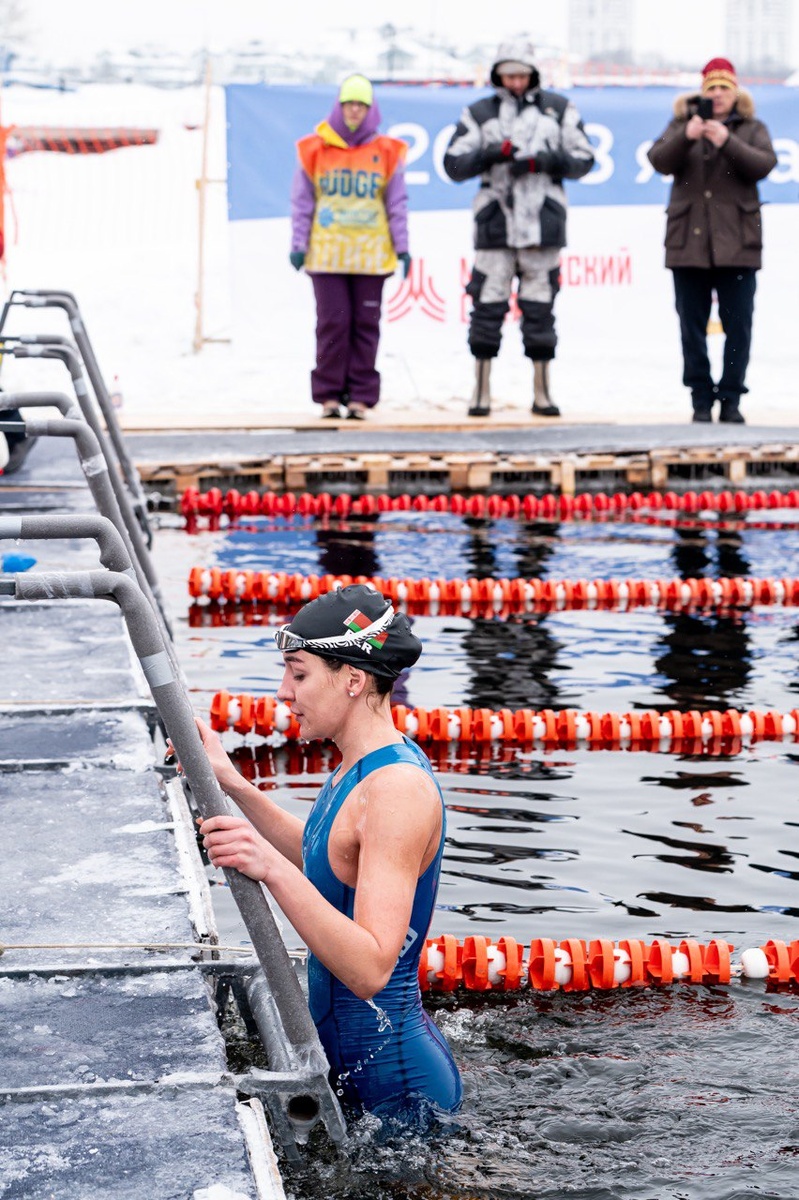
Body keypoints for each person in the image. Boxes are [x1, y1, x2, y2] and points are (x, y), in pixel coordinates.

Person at [197, 583, 462, 1120]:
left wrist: (267, 867)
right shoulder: (361, 764)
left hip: (401, 1094)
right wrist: (236, 786)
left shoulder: (395, 790)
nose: (283, 693)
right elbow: (326, 855)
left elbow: (369, 970)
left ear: (353, 680)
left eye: (299, 674)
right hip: (356, 1072)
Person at [443, 38, 594, 419]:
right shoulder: (479, 112)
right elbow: (453, 164)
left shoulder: (558, 109)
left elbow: (584, 158)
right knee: (487, 306)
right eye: (508, 74)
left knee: (540, 309)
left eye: (521, 74)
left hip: (543, 223)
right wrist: (492, 154)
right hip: (495, 223)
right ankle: (481, 391)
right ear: (498, 74)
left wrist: (544, 161)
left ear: (532, 74)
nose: (515, 82)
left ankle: (542, 392)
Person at [647, 58, 777, 425]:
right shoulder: (681, 125)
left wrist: (726, 141)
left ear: (735, 92)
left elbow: (763, 165)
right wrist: (687, 135)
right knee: (691, 326)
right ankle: (700, 398)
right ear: (701, 92)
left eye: (724, 88)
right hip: (688, 244)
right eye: (711, 88)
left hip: (738, 244)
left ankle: (732, 398)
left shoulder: (752, 128)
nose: (717, 95)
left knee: (739, 326)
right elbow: (658, 160)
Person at [289, 75, 411, 421]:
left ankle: (360, 395)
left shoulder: (387, 151)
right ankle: (328, 394)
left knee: (365, 324)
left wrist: (402, 247)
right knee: (332, 323)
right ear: (338, 107)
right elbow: (302, 201)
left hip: (371, 254)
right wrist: (298, 243)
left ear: (371, 109)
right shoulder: (314, 149)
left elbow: (396, 202)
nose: (354, 111)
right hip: (327, 253)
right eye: (349, 104)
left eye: (361, 105)